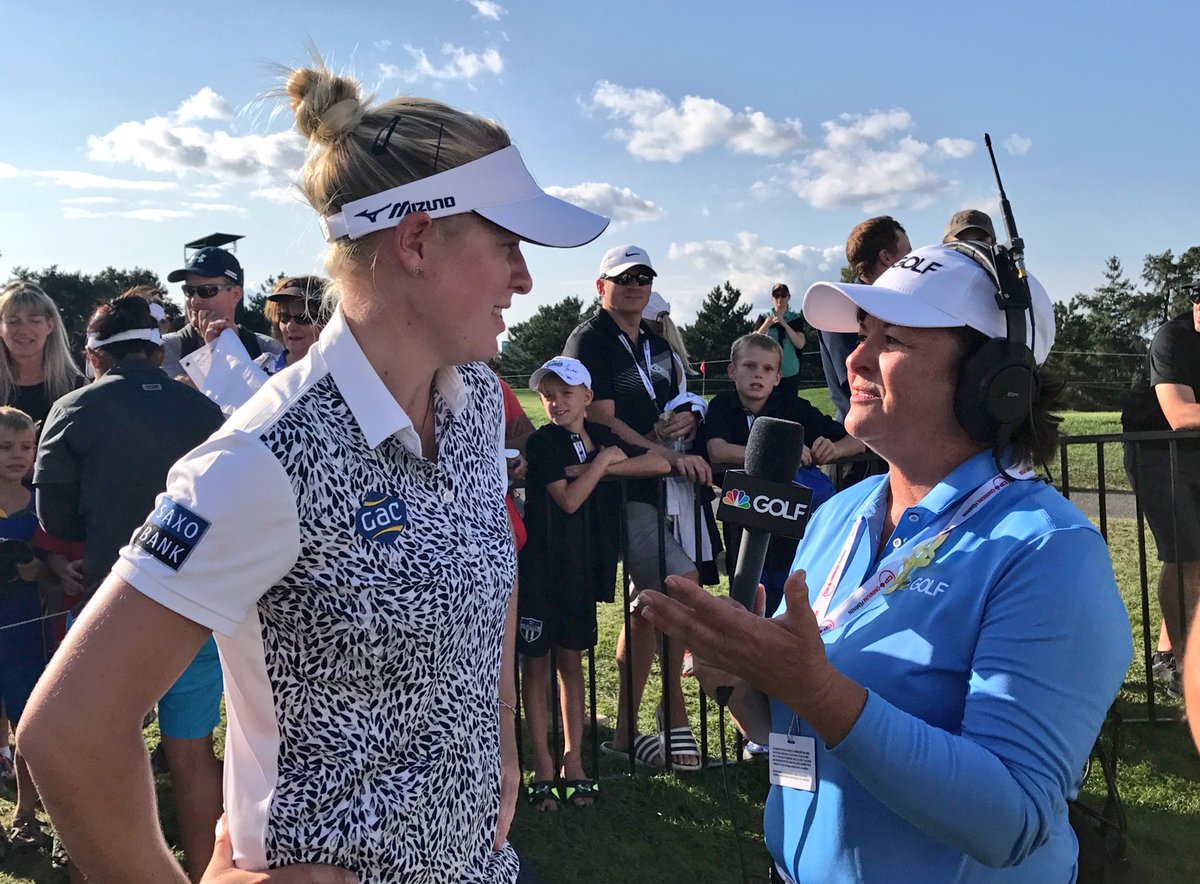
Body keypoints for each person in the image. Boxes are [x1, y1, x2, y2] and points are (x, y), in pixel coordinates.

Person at [19, 60, 607, 883]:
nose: (525, 277)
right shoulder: (265, 456)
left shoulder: (474, 398)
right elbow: (68, 730)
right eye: (506, 243)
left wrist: (499, 744)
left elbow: (492, 570)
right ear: (415, 241)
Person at [636, 244, 1132, 883]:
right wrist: (745, 687)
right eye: (862, 333)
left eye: (893, 340)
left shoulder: (1049, 551)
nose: (855, 358)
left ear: (993, 381)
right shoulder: (839, 515)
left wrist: (816, 689)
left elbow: (1012, 822)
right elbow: (797, 740)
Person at [34, 295, 225, 880]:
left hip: (110, 607)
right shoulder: (203, 409)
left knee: (99, 748)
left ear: (93, 356)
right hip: (196, 607)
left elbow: (54, 518)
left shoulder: (74, 407)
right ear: (157, 350)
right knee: (193, 754)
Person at [564, 244, 712, 772]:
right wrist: (661, 453)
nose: (635, 286)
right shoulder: (589, 339)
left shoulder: (655, 340)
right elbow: (601, 418)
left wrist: (688, 419)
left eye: (643, 277)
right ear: (600, 286)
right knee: (679, 583)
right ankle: (675, 716)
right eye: (623, 277)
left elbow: (676, 397)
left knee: (645, 607)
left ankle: (626, 734)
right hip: (619, 486)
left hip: (661, 482)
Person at [518, 357, 669, 811]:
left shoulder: (600, 434)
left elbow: (658, 462)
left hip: (583, 568)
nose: (556, 402)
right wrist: (602, 463)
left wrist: (601, 466)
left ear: (587, 396)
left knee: (571, 661)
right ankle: (543, 764)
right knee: (536, 664)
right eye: (548, 395)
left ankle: (574, 761)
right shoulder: (543, 442)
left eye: (566, 393)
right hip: (541, 568)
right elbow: (567, 501)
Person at [706, 333, 864, 616]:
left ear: (778, 378)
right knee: (745, 595)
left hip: (791, 532)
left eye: (768, 369)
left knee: (789, 594)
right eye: (749, 366)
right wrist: (781, 453)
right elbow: (717, 450)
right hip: (742, 523)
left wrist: (835, 449)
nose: (758, 374)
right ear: (732, 371)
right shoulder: (721, 406)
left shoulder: (794, 407)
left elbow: (858, 440)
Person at [1122, 278, 1200, 700]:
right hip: (1156, 451)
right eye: (1197, 297)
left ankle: (1168, 653)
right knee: (1186, 558)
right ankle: (1186, 669)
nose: (1199, 306)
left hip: (1194, 454)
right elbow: (1180, 414)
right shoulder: (1172, 338)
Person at [0, 407, 50, 858]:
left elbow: (56, 565)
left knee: (28, 721)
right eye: (4, 447)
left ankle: (26, 812)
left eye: (25, 447)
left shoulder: (41, 502)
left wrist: (42, 570)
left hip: (25, 629)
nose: (17, 455)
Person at [817, 217, 910, 421]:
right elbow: (855, 383)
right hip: (864, 429)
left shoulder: (894, 305)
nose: (913, 262)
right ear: (886, 257)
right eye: (908, 254)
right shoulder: (843, 308)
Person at [160, 246, 281, 379]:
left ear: (235, 294)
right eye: (189, 291)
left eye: (206, 290)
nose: (194, 300)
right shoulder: (164, 349)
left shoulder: (266, 349)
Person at [0, 281, 84, 426]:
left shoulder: (76, 386)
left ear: (50, 325)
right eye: (13, 321)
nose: (24, 330)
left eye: (34, 321)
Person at [257, 275, 330, 374]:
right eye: (284, 317)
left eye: (303, 318)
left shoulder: (342, 373)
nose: (290, 326)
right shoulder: (259, 369)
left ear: (327, 321)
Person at [754, 283, 807, 399]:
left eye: (783, 295)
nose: (779, 298)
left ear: (788, 298)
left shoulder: (795, 319)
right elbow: (752, 343)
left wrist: (785, 325)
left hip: (790, 371)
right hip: (767, 372)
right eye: (776, 295)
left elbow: (800, 344)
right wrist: (765, 325)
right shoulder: (763, 317)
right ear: (771, 298)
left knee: (789, 404)